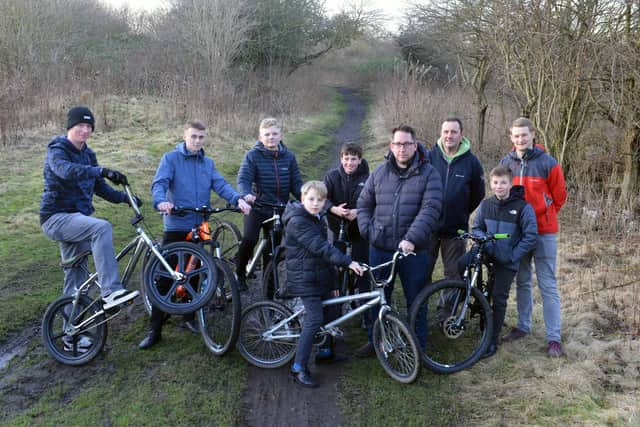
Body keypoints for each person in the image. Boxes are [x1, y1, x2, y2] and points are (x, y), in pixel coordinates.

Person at [139, 120, 252, 349]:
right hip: (176, 225)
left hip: (199, 225)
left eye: (201, 137)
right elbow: (159, 183)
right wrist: (161, 201)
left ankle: (188, 317)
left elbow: (220, 185)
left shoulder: (207, 163)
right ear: (185, 136)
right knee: (165, 277)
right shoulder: (170, 159)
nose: (197, 141)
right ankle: (155, 328)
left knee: (195, 274)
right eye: (194, 137)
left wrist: (237, 199)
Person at [40, 106, 139, 352]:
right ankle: (111, 291)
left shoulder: (88, 155)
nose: (84, 130)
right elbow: (67, 171)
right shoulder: (57, 150)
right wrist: (101, 170)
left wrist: (125, 198)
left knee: (77, 279)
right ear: (69, 128)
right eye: (79, 126)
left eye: (88, 127)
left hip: (76, 221)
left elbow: (100, 187)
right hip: (56, 218)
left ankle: (70, 335)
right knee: (101, 229)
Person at [356, 125, 442, 356]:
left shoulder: (429, 174)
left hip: (413, 252)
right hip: (380, 249)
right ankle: (378, 341)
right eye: (397, 144)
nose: (401, 149)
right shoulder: (380, 172)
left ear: (415, 146)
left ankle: (418, 346)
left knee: (416, 299)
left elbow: (430, 210)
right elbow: (363, 204)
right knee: (379, 298)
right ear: (391, 146)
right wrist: (368, 230)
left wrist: (411, 239)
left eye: (406, 144)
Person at [283, 181, 363, 387]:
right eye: (311, 199)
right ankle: (298, 367)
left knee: (333, 309)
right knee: (315, 318)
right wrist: (348, 262)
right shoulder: (298, 221)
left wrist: (333, 281)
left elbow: (324, 253)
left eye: (320, 200)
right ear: (302, 199)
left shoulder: (317, 218)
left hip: (318, 274)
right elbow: (321, 248)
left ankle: (325, 352)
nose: (316, 203)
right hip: (304, 278)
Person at [499, 117, 567, 357]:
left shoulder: (548, 163)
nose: (520, 140)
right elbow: (501, 192)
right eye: (516, 136)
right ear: (511, 137)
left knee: (547, 284)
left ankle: (554, 339)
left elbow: (560, 196)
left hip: (544, 232)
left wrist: (544, 215)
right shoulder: (506, 162)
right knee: (523, 280)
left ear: (532, 135)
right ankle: (524, 327)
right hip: (518, 232)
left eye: (524, 135)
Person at [463, 165, 537, 358]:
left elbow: (530, 236)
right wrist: (484, 240)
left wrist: (513, 256)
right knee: (460, 265)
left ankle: (492, 339)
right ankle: (465, 309)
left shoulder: (522, 208)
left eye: (503, 183)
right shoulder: (486, 204)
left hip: (507, 259)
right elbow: (477, 226)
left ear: (511, 184)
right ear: (491, 183)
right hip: (487, 251)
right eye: (495, 183)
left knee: (499, 296)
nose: (499, 186)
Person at [236, 117, 303, 290]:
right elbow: (243, 179)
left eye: (274, 134)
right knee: (250, 238)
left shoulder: (289, 157)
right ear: (260, 137)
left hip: (279, 208)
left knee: (272, 250)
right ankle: (240, 273)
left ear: (281, 136)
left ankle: (269, 289)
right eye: (267, 134)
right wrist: (247, 194)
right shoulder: (252, 156)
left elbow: (296, 183)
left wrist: (307, 198)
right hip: (258, 207)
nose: (271, 137)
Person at [427, 117, 485, 282]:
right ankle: (419, 307)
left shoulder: (472, 162)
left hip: (456, 230)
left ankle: (446, 309)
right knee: (421, 272)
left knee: (453, 275)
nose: (449, 136)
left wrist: (460, 210)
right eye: (446, 131)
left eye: (454, 132)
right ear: (441, 133)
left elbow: (478, 193)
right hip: (428, 226)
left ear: (461, 134)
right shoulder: (430, 157)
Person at [323, 142, 370, 337]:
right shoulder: (332, 177)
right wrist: (334, 209)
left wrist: (359, 211)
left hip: (360, 230)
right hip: (338, 228)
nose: (349, 162)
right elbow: (321, 198)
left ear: (360, 160)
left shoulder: (368, 178)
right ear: (341, 159)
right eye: (346, 158)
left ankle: (366, 314)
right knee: (335, 270)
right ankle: (334, 314)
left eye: (353, 159)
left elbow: (374, 202)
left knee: (363, 271)